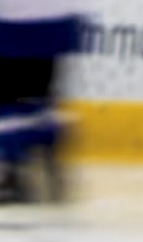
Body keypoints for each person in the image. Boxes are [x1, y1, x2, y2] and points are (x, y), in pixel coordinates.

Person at [0, 1, 85, 203]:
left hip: (16, 21)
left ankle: (15, 169)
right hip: (59, 18)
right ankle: (50, 158)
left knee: (10, 99)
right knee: (41, 91)